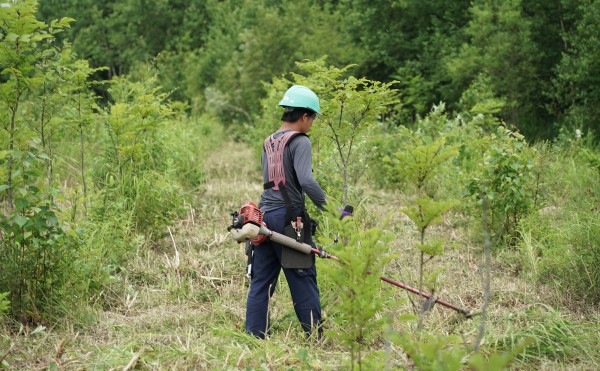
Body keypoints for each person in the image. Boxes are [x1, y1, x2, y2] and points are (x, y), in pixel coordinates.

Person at [245, 85, 326, 339]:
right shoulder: (300, 141)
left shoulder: (269, 141)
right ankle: (314, 336)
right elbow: (307, 181)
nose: (311, 124)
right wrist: (333, 210)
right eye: (312, 119)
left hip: (264, 218)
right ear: (304, 116)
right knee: (302, 277)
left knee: (261, 281)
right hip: (290, 221)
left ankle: (255, 337)